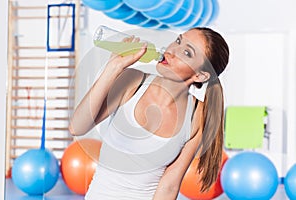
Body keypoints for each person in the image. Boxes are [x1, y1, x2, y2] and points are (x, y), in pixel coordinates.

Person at [69, 27, 229, 200]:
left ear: (200, 75)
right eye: (178, 40)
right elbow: (77, 127)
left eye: (186, 52)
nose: (172, 51)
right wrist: (114, 66)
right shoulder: (133, 81)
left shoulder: (197, 115)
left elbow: (169, 185)